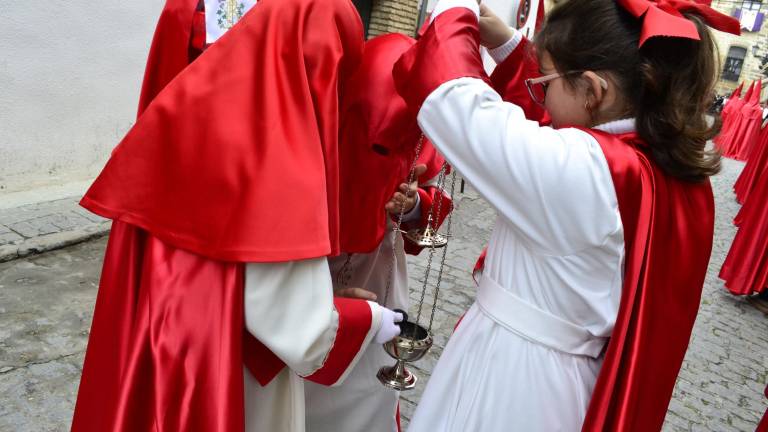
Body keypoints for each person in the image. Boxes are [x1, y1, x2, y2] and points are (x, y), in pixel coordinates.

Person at [392, 0, 738, 430]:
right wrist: (512, 47)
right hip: (565, 376)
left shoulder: (582, 171)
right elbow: (547, 122)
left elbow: (454, 101)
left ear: (595, 91)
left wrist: (454, 9)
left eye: (547, 82)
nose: (541, 96)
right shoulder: (649, 161)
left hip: (515, 380)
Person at [70, 0, 402, 431]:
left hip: (154, 327)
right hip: (217, 352)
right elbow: (298, 329)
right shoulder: (281, 153)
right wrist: (368, 318)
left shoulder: (175, 116)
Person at [304, 33, 452, 432]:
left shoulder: (415, 144)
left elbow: (435, 205)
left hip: (380, 273)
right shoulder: (315, 136)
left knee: (368, 380)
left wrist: (414, 203)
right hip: (313, 264)